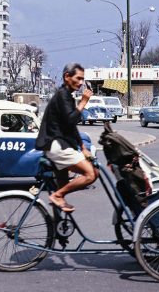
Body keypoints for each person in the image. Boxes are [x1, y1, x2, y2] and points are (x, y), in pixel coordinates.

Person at [35, 62, 98, 213]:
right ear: (67, 77)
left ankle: (58, 232)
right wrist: (83, 102)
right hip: (56, 146)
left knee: (61, 193)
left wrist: (83, 148)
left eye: (83, 79)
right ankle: (57, 196)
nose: (81, 82)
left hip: (59, 145)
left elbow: (70, 127)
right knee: (91, 174)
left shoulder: (66, 95)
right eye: (78, 78)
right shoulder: (62, 95)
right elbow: (71, 120)